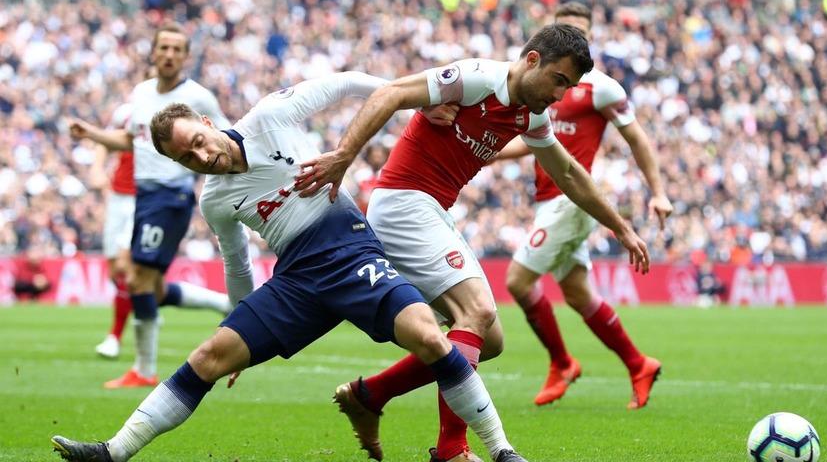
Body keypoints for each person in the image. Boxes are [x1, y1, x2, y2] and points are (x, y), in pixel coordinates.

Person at [51, 72, 528, 462]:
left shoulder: (270, 116)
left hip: (350, 250)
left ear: (206, 120)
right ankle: (113, 452)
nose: (203, 156)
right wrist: (238, 323)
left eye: (198, 141)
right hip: (297, 278)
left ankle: (501, 450)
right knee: (208, 358)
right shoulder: (216, 201)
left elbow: (347, 83)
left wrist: (418, 102)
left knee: (428, 335)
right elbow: (237, 264)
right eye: (188, 158)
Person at [295, 24, 650, 462]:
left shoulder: (530, 116)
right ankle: (453, 449)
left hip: (431, 209)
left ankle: (371, 394)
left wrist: (622, 227)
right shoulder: (477, 78)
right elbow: (389, 94)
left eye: (570, 87)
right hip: (404, 201)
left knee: (491, 339)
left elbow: (571, 174)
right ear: (532, 60)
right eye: (559, 80)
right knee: (477, 311)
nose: (561, 96)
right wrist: (342, 157)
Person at [494, 3, 672, 409]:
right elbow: (538, 141)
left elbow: (638, 139)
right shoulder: (543, 84)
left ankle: (561, 363)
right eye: (566, 30)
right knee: (577, 293)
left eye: (582, 32)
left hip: (572, 198)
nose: (575, 38)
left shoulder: (602, 88)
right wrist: (494, 154)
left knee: (518, 282)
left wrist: (658, 191)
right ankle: (638, 363)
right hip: (547, 200)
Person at [68, 23, 232, 389]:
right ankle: (223, 304)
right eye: (164, 48)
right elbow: (130, 140)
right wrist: (91, 133)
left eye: (177, 49)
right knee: (152, 289)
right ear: (153, 53)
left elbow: (226, 138)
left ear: (186, 56)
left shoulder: (199, 98)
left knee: (137, 276)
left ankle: (144, 370)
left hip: (170, 195)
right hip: (145, 195)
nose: (170, 55)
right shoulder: (141, 93)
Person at [90, 100, 135, 359]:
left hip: (145, 198)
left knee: (123, 266)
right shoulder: (125, 111)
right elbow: (105, 140)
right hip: (118, 195)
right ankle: (143, 305)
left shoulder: (170, 110)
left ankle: (113, 338)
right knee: (113, 269)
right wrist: (97, 169)